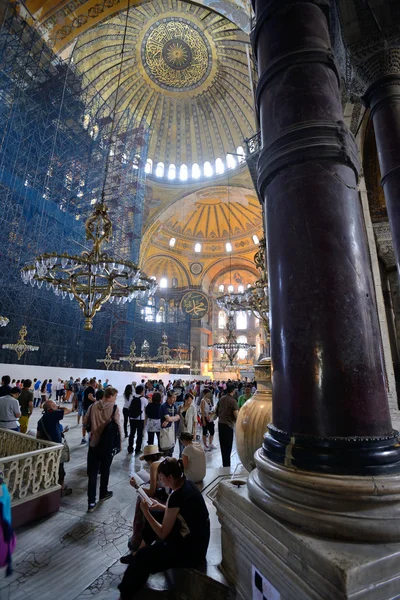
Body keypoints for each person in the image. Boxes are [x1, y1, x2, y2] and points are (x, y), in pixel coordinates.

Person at [118, 458, 210, 599]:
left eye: (161, 477)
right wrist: (159, 506)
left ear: (170, 477)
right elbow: (180, 512)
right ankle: (139, 550)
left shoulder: (177, 496)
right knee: (157, 514)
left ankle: (126, 592)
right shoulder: (187, 484)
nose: (160, 480)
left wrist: (146, 512)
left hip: (191, 551)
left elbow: (163, 533)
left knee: (144, 558)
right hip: (197, 540)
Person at [123, 444, 166, 558]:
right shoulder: (165, 460)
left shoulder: (154, 466)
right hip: (167, 494)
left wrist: (136, 486)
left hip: (163, 498)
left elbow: (152, 492)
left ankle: (137, 538)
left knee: (141, 499)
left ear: (148, 459)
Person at [83, 386, 121, 512]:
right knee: (105, 470)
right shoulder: (114, 408)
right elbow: (118, 426)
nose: (115, 400)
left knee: (92, 474)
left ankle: (91, 502)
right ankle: (103, 492)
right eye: (115, 397)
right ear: (110, 396)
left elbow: (85, 422)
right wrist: (119, 444)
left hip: (94, 443)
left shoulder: (92, 406)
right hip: (107, 445)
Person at [37, 400, 72, 496]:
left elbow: (38, 435)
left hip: (47, 449)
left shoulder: (41, 420)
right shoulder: (52, 415)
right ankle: (59, 492)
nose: (57, 406)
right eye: (55, 405)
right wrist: (59, 407)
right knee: (60, 472)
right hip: (55, 449)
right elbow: (68, 410)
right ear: (51, 408)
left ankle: (59, 487)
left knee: (52, 470)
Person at [215, 382, 238, 467]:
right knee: (228, 448)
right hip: (228, 426)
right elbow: (237, 416)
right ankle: (227, 466)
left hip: (220, 424)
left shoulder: (221, 399)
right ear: (234, 390)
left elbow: (216, 411)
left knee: (223, 447)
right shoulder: (233, 401)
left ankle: (224, 464)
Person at [128, 384, 148, 455]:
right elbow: (146, 407)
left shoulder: (131, 398)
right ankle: (137, 449)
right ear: (142, 391)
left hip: (132, 418)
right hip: (140, 419)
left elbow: (129, 406)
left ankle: (130, 448)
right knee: (139, 435)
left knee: (132, 433)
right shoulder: (144, 399)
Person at [159, 390, 180, 457]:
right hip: (165, 431)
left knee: (171, 451)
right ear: (168, 397)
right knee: (165, 451)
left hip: (173, 431)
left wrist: (169, 420)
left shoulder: (174, 406)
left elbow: (178, 416)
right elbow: (170, 418)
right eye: (173, 397)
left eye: (175, 397)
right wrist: (170, 419)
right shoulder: (164, 406)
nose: (175, 399)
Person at [178, 393, 197, 457]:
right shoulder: (180, 407)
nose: (189, 402)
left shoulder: (193, 408)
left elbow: (195, 421)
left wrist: (194, 433)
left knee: (188, 449)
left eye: (191, 401)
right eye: (188, 400)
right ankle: (181, 462)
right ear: (185, 400)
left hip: (189, 431)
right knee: (181, 449)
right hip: (181, 430)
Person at [81, 378, 96, 444]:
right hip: (89, 408)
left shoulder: (86, 389)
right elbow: (90, 397)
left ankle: (83, 437)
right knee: (91, 423)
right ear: (93, 383)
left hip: (85, 407)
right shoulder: (92, 389)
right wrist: (96, 400)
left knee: (84, 423)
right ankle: (90, 437)